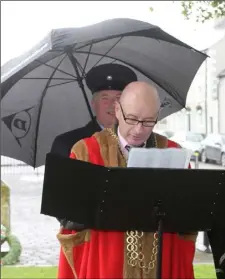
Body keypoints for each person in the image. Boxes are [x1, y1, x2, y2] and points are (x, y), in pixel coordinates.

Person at [57, 81, 197, 279]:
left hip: (159, 263)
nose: (139, 129)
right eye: (131, 119)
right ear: (117, 110)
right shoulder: (86, 152)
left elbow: (189, 218)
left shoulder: (173, 151)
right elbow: (68, 218)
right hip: (106, 263)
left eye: (148, 121)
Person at [50, 63, 138, 158]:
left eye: (119, 97)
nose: (113, 104)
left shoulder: (142, 141)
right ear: (94, 104)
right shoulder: (67, 144)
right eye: (105, 98)